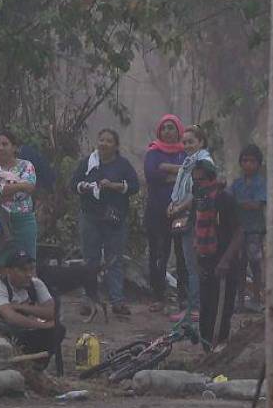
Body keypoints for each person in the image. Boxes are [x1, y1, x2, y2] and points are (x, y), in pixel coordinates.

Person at [70, 128, 140, 319]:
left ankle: (117, 301)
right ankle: (88, 300)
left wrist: (115, 186)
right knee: (90, 259)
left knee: (114, 260)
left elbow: (134, 186)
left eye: (109, 141)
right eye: (101, 140)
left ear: (116, 146)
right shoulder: (88, 163)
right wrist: (83, 186)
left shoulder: (123, 165)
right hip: (90, 217)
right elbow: (73, 184)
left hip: (114, 219)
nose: (104, 144)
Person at [188, 159, 243, 350]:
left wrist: (225, 261)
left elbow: (239, 232)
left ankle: (219, 351)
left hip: (224, 263)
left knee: (221, 311)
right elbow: (196, 232)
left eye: (200, 180)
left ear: (210, 179)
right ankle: (207, 352)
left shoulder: (224, 199)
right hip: (206, 262)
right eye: (194, 180)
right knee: (206, 311)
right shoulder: (200, 201)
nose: (197, 184)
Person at [0, 250, 64, 365]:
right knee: (48, 329)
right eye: (22, 270)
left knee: (58, 330)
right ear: (8, 271)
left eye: (31, 269)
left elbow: (51, 312)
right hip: (1, 335)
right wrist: (43, 325)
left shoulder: (36, 284)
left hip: (25, 332)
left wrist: (21, 307)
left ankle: (37, 366)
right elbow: (11, 318)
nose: (28, 274)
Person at [167, 124, 212, 321]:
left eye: (191, 142)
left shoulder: (203, 163)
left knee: (194, 265)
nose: (186, 145)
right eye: (184, 142)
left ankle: (196, 307)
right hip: (185, 216)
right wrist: (172, 204)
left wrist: (179, 208)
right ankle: (194, 305)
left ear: (201, 142)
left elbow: (198, 193)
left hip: (198, 218)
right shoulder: (187, 163)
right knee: (189, 264)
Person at [143, 114, 187, 312]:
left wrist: (167, 169)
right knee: (159, 253)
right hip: (156, 212)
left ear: (179, 131)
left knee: (182, 254)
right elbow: (151, 175)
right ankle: (157, 295)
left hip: (181, 212)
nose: (168, 131)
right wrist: (179, 173)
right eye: (164, 128)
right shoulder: (153, 152)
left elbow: (192, 174)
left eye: (171, 128)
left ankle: (184, 296)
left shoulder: (185, 152)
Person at [0, 130, 38, 266]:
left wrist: (4, 191)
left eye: (5, 144)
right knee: (1, 265)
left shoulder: (26, 165)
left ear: (14, 147)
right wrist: (20, 185)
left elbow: (29, 189)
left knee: (27, 266)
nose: (0, 148)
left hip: (23, 222)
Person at [230, 144, 267, 313]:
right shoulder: (237, 184)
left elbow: (257, 204)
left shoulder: (261, 183)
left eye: (252, 161)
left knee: (255, 264)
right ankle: (240, 301)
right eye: (245, 161)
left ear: (259, 164)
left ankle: (257, 299)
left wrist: (238, 204)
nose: (248, 165)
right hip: (238, 231)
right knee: (240, 265)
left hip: (255, 230)